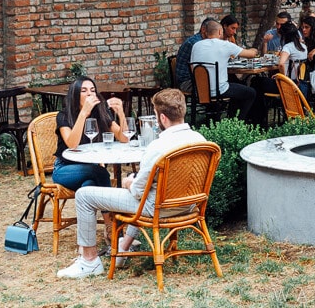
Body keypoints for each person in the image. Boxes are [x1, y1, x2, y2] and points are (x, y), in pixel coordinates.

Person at [56, 89, 205, 279]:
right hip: (188, 206)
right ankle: (123, 249)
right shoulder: (200, 140)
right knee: (146, 190)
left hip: (156, 208)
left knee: (84, 195)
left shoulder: (158, 147)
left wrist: (128, 182)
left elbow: (137, 191)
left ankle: (89, 261)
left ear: (163, 118)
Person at [52, 77, 127, 190]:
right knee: (101, 173)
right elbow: (72, 144)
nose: (89, 94)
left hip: (91, 167)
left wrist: (121, 114)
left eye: (92, 90)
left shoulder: (101, 112)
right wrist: (83, 113)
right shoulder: (63, 116)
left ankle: (102, 207)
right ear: (75, 95)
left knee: (89, 185)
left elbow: (124, 138)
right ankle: (109, 207)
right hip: (65, 169)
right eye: (84, 91)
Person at [190, 20, 260, 124]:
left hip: (201, 91)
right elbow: (250, 54)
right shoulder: (225, 45)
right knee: (251, 93)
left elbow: (193, 68)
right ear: (219, 32)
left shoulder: (196, 45)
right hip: (220, 90)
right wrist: (255, 50)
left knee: (237, 88)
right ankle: (237, 123)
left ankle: (226, 119)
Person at [175, 17, 217, 93]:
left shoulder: (201, 41)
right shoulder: (196, 43)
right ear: (203, 29)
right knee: (221, 86)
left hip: (195, 79)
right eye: (212, 31)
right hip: (187, 82)